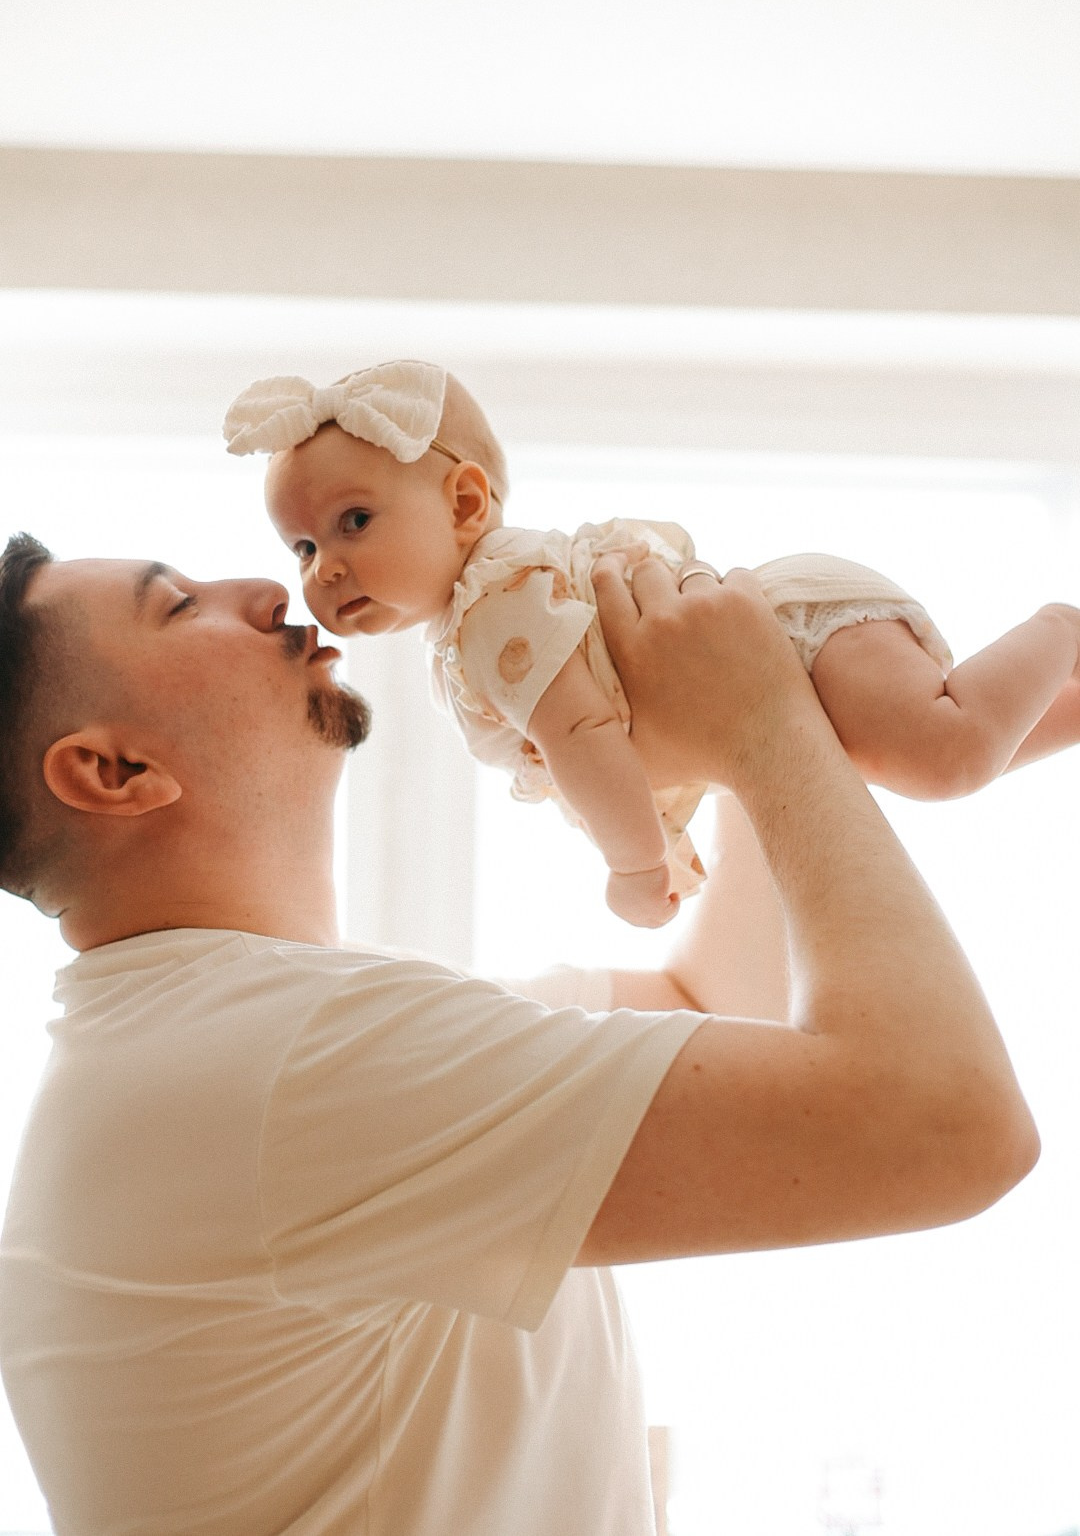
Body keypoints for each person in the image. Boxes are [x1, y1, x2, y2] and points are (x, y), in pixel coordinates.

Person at [0, 529, 1037, 1536]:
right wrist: (762, 724)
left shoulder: (235, 1050)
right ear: (114, 772)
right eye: (179, 605)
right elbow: (949, 1128)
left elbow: (708, 995)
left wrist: (747, 718)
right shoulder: (286, 1062)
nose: (269, 591)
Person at [227, 361, 1080, 928]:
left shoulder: (495, 604)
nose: (324, 568)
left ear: (464, 504)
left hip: (791, 640)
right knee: (937, 759)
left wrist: (634, 865)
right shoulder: (469, 631)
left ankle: (1061, 629)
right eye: (301, 547)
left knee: (946, 756)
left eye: (354, 521)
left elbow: (583, 733)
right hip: (778, 679)